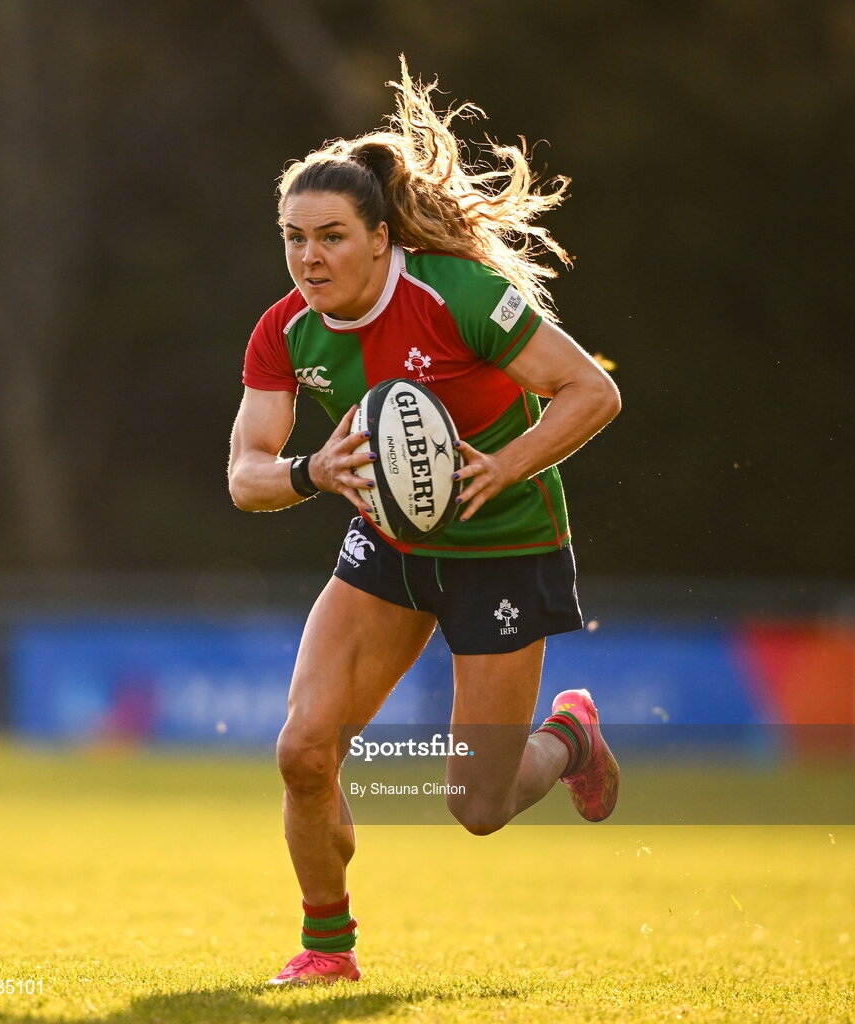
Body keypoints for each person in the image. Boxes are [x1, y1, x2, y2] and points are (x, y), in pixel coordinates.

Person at [228, 59, 621, 986]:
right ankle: (328, 951)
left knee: (476, 806)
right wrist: (312, 470)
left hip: (504, 550)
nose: (309, 258)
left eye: (330, 237)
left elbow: (589, 391)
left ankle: (570, 737)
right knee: (303, 750)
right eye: (293, 239)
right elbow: (246, 475)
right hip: (389, 550)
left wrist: (501, 466)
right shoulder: (285, 331)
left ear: (377, 238)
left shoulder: (459, 295)